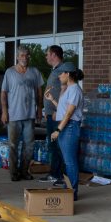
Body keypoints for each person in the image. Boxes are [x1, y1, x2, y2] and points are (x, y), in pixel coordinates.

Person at [0, 45, 44, 181]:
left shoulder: (34, 72)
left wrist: (39, 109)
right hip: (13, 115)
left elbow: (39, 92)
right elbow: (4, 93)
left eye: (27, 55)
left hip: (29, 115)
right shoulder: (10, 72)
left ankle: (24, 171)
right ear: (18, 57)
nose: (25, 58)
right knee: (13, 145)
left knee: (29, 145)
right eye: (22, 55)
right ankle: (14, 173)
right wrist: (4, 112)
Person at [46, 63, 84, 200]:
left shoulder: (74, 90)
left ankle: (72, 192)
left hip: (69, 127)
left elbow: (69, 113)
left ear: (68, 74)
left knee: (70, 162)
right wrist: (53, 100)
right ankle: (68, 188)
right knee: (67, 161)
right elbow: (63, 110)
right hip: (65, 127)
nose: (59, 76)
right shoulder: (69, 90)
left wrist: (57, 130)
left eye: (61, 74)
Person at [40, 45, 65, 183]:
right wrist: (47, 111)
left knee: (56, 145)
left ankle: (58, 174)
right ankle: (54, 173)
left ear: (54, 55)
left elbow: (64, 91)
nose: (46, 57)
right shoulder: (55, 70)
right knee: (52, 144)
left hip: (56, 114)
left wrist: (57, 110)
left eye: (47, 54)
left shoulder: (62, 71)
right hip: (51, 114)